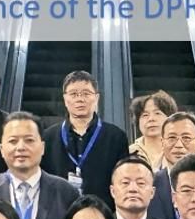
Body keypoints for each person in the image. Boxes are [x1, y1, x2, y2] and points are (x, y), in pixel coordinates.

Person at [41, 70, 130, 203]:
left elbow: (123, 179)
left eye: (86, 93)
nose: (80, 99)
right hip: (59, 210)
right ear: (65, 99)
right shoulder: (48, 137)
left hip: (103, 210)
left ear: (97, 98)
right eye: (73, 94)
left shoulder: (116, 137)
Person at [128, 90, 178, 170]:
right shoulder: (127, 154)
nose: (151, 119)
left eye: (157, 113)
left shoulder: (181, 151)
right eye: (145, 115)